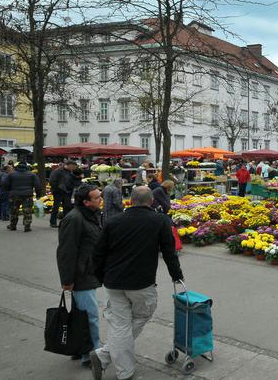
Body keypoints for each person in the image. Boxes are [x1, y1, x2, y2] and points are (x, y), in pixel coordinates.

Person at [90, 186, 183, 380]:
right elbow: (169, 251)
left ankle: (112, 360)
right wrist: (176, 275)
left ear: (130, 201)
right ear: (151, 202)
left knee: (121, 325)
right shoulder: (159, 221)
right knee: (141, 315)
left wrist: (99, 277)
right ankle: (112, 362)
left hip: (113, 282)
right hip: (141, 283)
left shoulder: (113, 221)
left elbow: (98, 252)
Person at [57, 184, 103, 367]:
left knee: (79, 316)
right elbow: (66, 252)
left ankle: (79, 349)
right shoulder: (74, 219)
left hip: (88, 272)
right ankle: (92, 355)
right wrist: (67, 281)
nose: (101, 200)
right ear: (86, 202)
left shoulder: (90, 215)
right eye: (97, 197)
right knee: (89, 317)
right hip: (80, 276)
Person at [4, 162, 43, 232]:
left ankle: (13, 225)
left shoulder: (11, 174)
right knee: (27, 211)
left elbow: (5, 184)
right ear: (26, 166)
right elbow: (37, 185)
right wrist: (38, 195)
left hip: (14, 195)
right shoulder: (32, 174)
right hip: (27, 195)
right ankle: (27, 226)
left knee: (14, 211)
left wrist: (10, 191)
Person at [49, 160, 78, 228]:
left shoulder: (70, 171)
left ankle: (65, 223)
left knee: (67, 208)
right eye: (73, 167)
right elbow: (52, 181)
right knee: (56, 207)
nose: (74, 168)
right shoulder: (57, 171)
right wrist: (57, 188)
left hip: (67, 192)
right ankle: (53, 222)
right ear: (69, 165)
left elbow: (72, 180)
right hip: (58, 192)